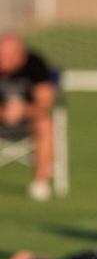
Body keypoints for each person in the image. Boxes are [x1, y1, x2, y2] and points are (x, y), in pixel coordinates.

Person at [0, 33, 57, 201]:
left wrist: (23, 110)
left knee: (46, 124)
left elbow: (45, 103)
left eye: (9, 56)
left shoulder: (35, 65)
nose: (4, 60)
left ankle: (40, 183)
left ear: (21, 54)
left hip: (28, 122)